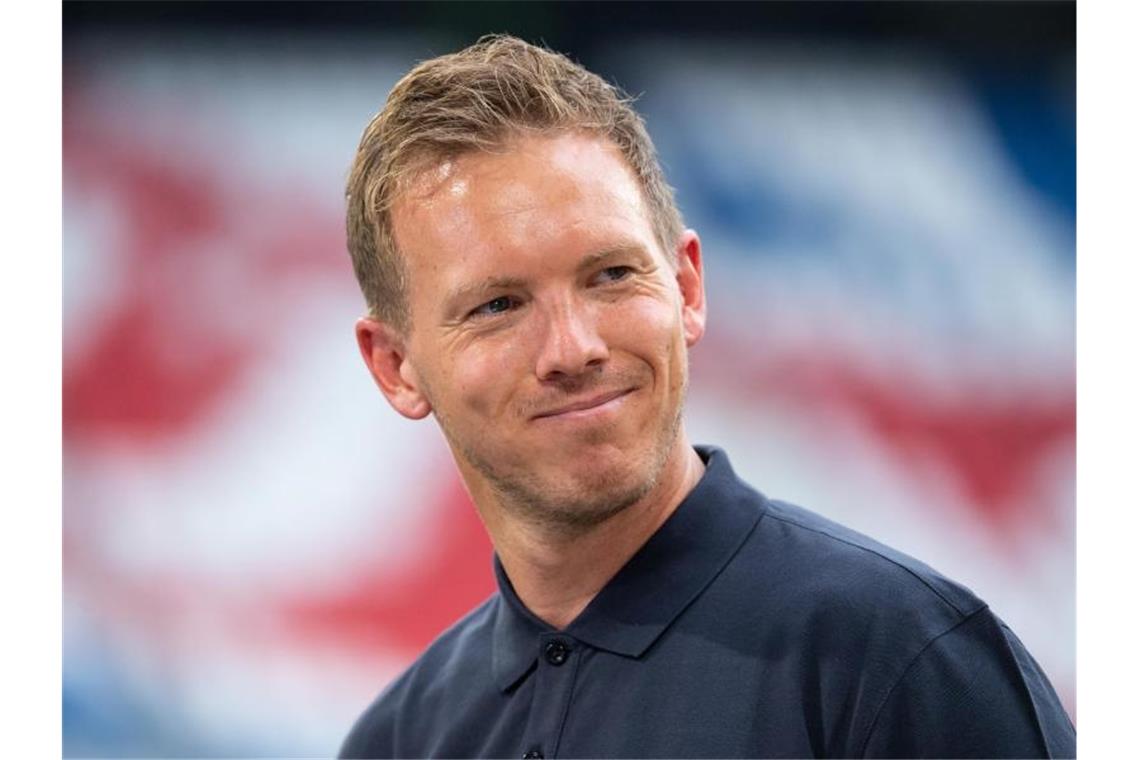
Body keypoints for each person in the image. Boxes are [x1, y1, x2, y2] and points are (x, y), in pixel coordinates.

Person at [338, 35, 1075, 759]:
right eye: (498, 305)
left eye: (611, 275)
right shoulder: (399, 740)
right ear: (396, 367)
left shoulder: (906, 663)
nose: (574, 348)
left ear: (687, 287)